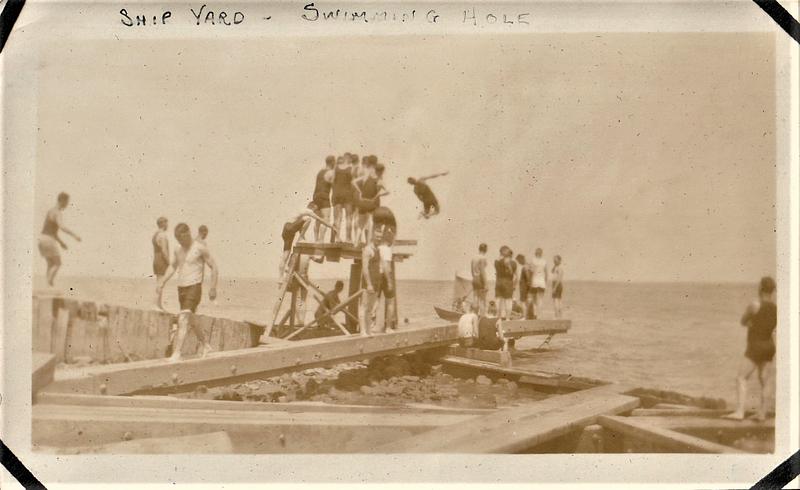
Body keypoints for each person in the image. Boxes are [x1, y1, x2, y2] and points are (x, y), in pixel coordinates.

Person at [157, 223, 219, 362]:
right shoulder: (178, 249)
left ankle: (177, 353)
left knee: (183, 318)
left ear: (188, 234)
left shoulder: (200, 248)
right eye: (177, 239)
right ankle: (205, 345)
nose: (180, 242)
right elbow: (172, 267)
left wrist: (213, 287)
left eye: (182, 238)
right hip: (182, 288)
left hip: (194, 287)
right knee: (191, 319)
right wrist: (162, 282)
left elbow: (214, 267)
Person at [725, 276, 777, 421]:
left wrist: (750, 324)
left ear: (760, 288)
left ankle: (740, 412)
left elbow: (743, 321)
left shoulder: (755, 305)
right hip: (769, 346)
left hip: (755, 346)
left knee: (741, 377)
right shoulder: (776, 308)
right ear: (773, 291)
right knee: (764, 381)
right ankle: (762, 414)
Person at [279, 202, 336, 285]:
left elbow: (299, 227)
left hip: (287, 230)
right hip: (290, 227)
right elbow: (320, 220)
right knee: (308, 219)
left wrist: (303, 236)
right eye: (316, 210)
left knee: (285, 256)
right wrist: (332, 227)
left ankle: (280, 278)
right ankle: (300, 238)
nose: (316, 212)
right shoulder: (307, 211)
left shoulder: (300, 213)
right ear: (313, 207)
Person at [38, 192, 81, 287]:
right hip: (48, 240)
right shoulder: (57, 212)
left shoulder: (50, 211)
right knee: (57, 263)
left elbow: (52, 232)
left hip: (42, 239)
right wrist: (74, 235)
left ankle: (47, 287)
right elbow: (62, 227)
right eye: (67, 202)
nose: (67, 205)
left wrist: (61, 243)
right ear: (62, 201)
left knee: (50, 263)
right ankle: (49, 283)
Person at [352, 157, 386, 246]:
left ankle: (356, 243)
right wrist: (378, 195)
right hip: (371, 203)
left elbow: (354, 182)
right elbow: (387, 191)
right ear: (382, 171)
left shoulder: (367, 176)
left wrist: (360, 191)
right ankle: (368, 243)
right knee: (371, 223)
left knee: (360, 225)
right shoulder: (379, 180)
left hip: (363, 202)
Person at [312, 156, 335, 242]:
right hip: (324, 195)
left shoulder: (320, 172)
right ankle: (321, 240)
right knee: (326, 219)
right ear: (332, 162)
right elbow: (334, 185)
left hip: (315, 196)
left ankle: (316, 240)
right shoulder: (331, 172)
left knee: (317, 219)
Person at [331, 155, 354, 243]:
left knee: (337, 218)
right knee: (348, 217)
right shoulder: (350, 169)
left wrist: (334, 194)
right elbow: (353, 184)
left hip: (337, 194)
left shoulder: (335, 169)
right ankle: (348, 238)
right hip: (348, 194)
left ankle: (337, 238)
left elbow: (332, 183)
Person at [494, 246, 516, 320]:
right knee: (508, 301)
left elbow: (497, 270)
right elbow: (515, 276)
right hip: (508, 282)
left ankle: (498, 318)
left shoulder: (496, 262)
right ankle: (507, 319)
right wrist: (514, 286)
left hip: (499, 282)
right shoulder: (513, 263)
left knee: (498, 300)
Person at [529, 248, 548, 319]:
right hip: (542, 282)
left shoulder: (533, 260)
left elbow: (531, 272)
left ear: (535, 253)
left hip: (534, 281)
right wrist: (545, 282)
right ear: (541, 253)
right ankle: (540, 315)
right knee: (540, 299)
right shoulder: (544, 261)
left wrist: (530, 282)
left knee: (534, 299)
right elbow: (546, 273)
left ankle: (535, 314)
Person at [470, 243, 489, 315]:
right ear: (486, 250)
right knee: (482, 299)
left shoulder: (474, 258)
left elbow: (471, 271)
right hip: (480, 279)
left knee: (475, 298)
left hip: (474, 278)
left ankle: (475, 315)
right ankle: (482, 317)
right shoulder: (483, 258)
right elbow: (482, 271)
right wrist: (486, 284)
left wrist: (475, 277)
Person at [152, 217, 169, 287]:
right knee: (160, 285)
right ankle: (157, 298)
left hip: (156, 259)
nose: (167, 225)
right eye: (166, 223)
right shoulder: (162, 235)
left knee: (158, 283)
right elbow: (164, 251)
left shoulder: (155, 234)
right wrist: (169, 262)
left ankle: (157, 298)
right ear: (163, 224)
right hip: (161, 260)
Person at [516, 254, 532, 319]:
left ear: (521, 259)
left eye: (519, 261)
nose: (519, 263)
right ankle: (527, 315)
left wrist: (528, 283)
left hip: (524, 286)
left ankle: (524, 316)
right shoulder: (529, 265)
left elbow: (527, 276)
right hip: (527, 286)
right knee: (527, 301)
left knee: (522, 301)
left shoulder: (525, 266)